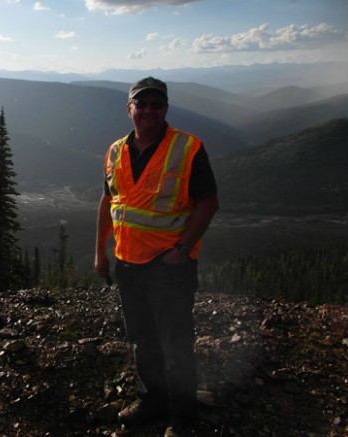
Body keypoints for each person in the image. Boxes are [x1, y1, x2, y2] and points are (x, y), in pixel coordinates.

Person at [95, 77, 219, 437]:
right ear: (129, 108)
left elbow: (208, 203)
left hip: (169, 267)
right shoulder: (116, 151)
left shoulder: (188, 148)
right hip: (128, 264)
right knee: (142, 340)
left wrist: (182, 250)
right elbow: (109, 201)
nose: (148, 110)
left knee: (175, 342)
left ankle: (182, 417)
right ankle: (153, 401)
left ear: (165, 108)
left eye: (156, 104)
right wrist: (101, 252)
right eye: (142, 104)